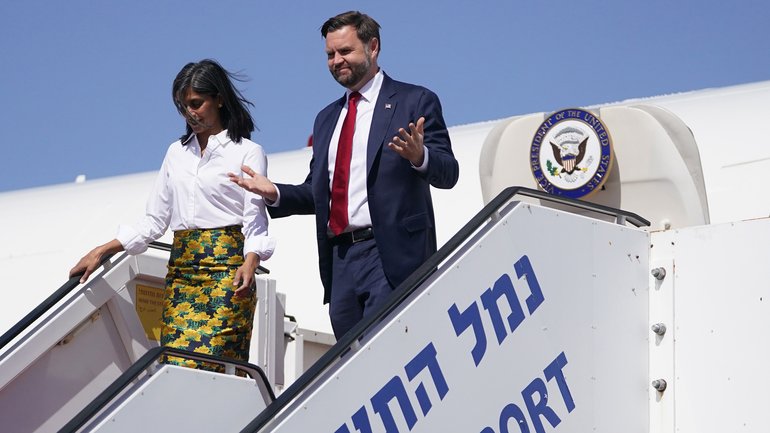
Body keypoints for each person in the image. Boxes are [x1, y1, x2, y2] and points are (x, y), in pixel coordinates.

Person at [228, 11, 458, 339]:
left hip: (391, 255)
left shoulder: (414, 101)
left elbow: (449, 173)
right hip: (341, 262)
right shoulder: (326, 119)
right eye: (330, 55)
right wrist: (274, 192)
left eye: (345, 51)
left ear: (373, 47)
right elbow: (317, 193)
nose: (337, 60)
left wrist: (420, 157)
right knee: (351, 364)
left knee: (388, 351)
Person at [70, 59, 275, 369]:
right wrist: (105, 249)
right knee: (175, 364)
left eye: (196, 103)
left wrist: (251, 259)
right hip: (182, 274)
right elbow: (155, 219)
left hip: (227, 272)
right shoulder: (175, 152)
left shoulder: (246, 151)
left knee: (213, 364)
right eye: (182, 106)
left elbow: (254, 217)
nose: (189, 113)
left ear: (219, 98)